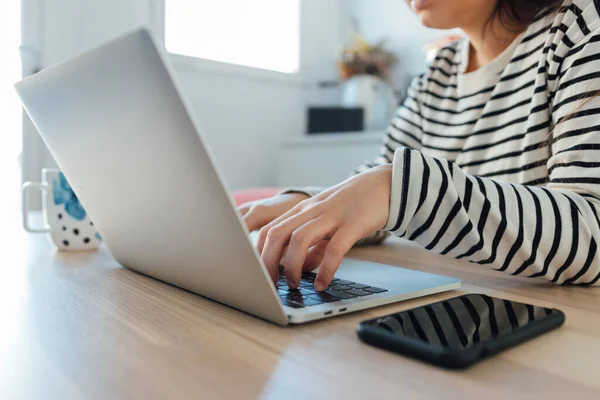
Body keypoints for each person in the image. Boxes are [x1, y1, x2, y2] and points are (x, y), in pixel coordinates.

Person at [239, 0, 600, 291]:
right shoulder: (437, 73)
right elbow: (379, 195)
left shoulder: (580, 28)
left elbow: (592, 235)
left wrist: (400, 189)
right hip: (467, 304)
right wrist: (310, 204)